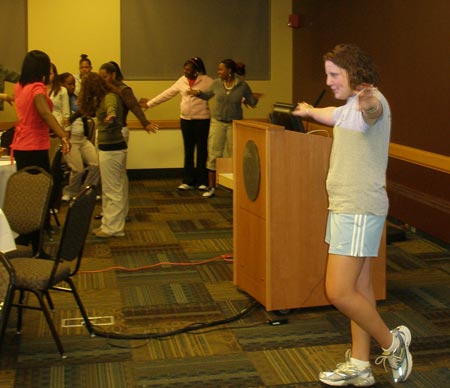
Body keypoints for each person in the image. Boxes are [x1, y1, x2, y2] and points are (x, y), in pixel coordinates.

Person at [292, 43, 412, 386]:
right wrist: (308, 111)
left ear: (353, 73)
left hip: (359, 208)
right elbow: (332, 113)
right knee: (359, 288)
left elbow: (372, 111)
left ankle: (393, 343)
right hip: (348, 207)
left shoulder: (371, 101)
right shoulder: (347, 107)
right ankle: (360, 363)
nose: (328, 80)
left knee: (339, 291)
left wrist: (369, 101)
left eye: (334, 74)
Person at [10, 50, 71, 256]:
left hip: (20, 146)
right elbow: (45, 113)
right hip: (34, 147)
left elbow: (16, 101)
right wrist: (62, 135)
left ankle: (27, 237)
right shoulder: (36, 88)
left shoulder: (20, 86)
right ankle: (37, 248)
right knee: (40, 196)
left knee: (28, 194)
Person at [140, 57, 213, 191]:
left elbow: (220, 92)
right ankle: (188, 181)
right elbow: (167, 94)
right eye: (184, 69)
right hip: (185, 120)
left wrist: (243, 97)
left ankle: (203, 181)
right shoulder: (182, 81)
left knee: (202, 150)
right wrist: (149, 104)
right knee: (188, 150)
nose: (185, 71)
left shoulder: (207, 81)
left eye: (188, 70)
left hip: (202, 120)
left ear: (196, 71)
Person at [188, 58, 258, 197]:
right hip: (218, 122)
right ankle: (211, 187)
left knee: (235, 154)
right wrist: (198, 93)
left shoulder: (242, 85)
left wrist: (253, 99)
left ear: (229, 71)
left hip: (234, 124)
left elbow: (252, 102)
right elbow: (207, 95)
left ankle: (236, 187)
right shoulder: (216, 84)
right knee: (214, 153)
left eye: (221, 69)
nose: (218, 72)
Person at [78, 72, 127, 238]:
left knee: (112, 190)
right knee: (108, 189)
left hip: (112, 149)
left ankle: (114, 228)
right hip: (109, 148)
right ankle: (108, 224)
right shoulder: (103, 97)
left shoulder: (110, 97)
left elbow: (112, 110)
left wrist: (111, 117)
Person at [59, 72, 99, 201]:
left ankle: (85, 191)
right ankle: (70, 191)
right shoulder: (59, 100)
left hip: (82, 138)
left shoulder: (78, 98)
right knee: (78, 170)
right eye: (69, 84)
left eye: (73, 84)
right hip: (71, 140)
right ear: (62, 85)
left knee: (96, 165)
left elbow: (87, 111)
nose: (72, 87)